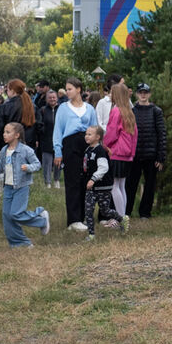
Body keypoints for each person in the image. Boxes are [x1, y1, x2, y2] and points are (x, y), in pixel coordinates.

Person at [0, 122, 50, 248]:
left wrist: (28, 167)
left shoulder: (25, 150)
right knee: (7, 216)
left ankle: (41, 219)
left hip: (21, 186)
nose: (4, 134)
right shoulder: (4, 150)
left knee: (16, 214)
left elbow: (37, 164)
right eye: (4, 131)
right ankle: (19, 243)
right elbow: (0, 166)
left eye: (8, 132)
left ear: (17, 135)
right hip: (8, 187)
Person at [53, 78, 99, 231]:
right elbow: (58, 131)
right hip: (70, 145)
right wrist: (58, 152)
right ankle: (73, 220)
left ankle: (82, 217)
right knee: (72, 181)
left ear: (79, 89)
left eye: (70, 89)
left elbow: (95, 128)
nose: (67, 92)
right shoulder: (63, 108)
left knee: (85, 181)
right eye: (66, 89)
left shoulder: (90, 109)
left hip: (86, 145)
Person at [125, 83, 167, 219]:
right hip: (135, 155)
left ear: (149, 94)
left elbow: (162, 134)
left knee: (150, 186)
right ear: (137, 94)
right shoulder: (132, 110)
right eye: (140, 92)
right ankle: (127, 211)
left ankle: (145, 213)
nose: (143, 95)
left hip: (151, 155)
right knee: (130, 185)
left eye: (145, 92)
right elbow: (127, 133)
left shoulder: (156, 111)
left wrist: (161, 157)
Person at [81, 125, 129, 240]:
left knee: (105, 210)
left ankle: (122, 220)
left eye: (89, 134)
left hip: (103, 187)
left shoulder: (100, 151)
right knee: (88, 210)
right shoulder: (87, 150)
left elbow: (103, 168)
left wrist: (93, 179)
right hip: (91, 189)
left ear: (98, 137)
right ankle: (91, 235)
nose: (86, 136)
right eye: (86, 134)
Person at [105, 83, 137, 216]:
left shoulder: (116, 111)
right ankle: (124, 217)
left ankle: (122, 218)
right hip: (127, 154)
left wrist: (105, 145)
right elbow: (135, 136)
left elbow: (112, 133)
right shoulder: (129, 112)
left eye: (112, 93)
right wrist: (132, 154)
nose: (110, 95)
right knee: (121, 186)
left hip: (116, 153)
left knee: (114, 187)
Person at [0, 79, 43, 154]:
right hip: (29, 146)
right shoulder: (32, 107)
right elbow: (39, 127)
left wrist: (1, 147)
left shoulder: (5, 107)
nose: (6, 91)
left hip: (10, 146)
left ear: (13, 90)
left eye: (8, 89)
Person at [38, 90, 61, 188]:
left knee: (58, 161)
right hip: (46, 139)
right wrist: (43, 131)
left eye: (54, 97)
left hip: (59, 140)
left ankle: (56, 180)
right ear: (47, 99)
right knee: (47, 162)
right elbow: (38, 124)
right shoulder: (42, 110)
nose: (52, 99)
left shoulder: (61, 109)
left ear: (57, 98)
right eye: (50, 97)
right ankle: (47, 182)